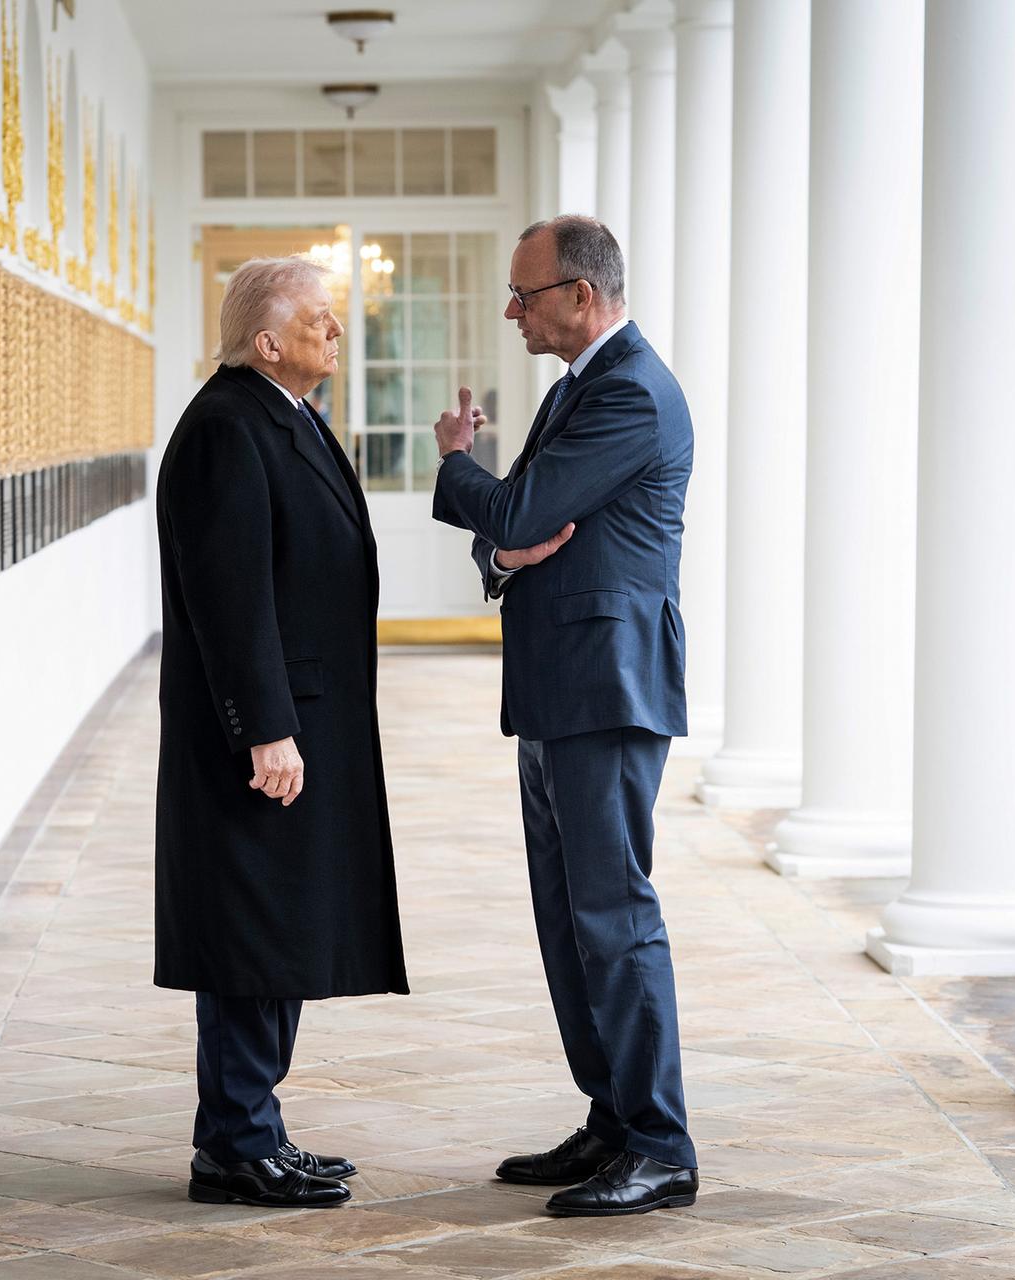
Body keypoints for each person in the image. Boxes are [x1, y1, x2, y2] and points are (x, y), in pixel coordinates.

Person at [432, 215, 698, 1217]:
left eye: (525, 294)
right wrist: (502, 548)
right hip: (558, 687)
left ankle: (661, 1145)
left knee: (613, 917)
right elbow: (512, 537)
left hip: (607, 687)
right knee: (567, 919)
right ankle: (611, 1115)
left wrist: (457, 462)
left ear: (581, 294)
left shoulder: (627, 389)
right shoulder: (577, 387)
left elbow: (512, 509)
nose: (512, 310)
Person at [154, 256, 408, 1210]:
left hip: (306, 719)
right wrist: (265, 730)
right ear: (267, 341)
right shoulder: (228, 426)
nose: (337, 330)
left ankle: (252, 1129)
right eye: (319, 319)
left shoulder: (282, 414)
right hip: (266, 735)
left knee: (279, 927)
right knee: (251, 932)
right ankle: (233, 1144)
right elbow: (231, 599)